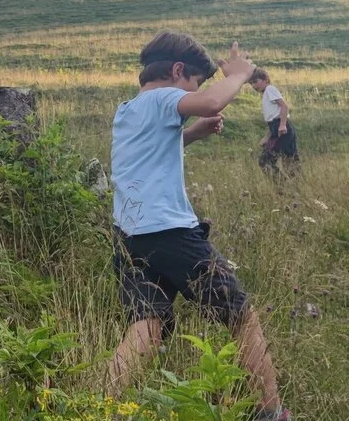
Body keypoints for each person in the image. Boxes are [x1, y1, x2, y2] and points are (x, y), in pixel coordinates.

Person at [107, 32, 288, 420]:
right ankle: (271, 411)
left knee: (147, 324)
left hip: (130, 235)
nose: (193, 94)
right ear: (177, 71)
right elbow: (211, 100)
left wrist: (192, 134)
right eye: (194, 83)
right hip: (172, 233)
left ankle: (96, 406)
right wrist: (239, 74)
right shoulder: (165, 97)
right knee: (240, 314)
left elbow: (148, 153)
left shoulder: (128, 109)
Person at [249, 68, 299, 178]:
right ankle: (294, 188)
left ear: (265, 79)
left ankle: (282, 185)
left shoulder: (270, 89)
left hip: (282, 128)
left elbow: (284, 106)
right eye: (251, 83)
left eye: (255, 81)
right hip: (276, 128)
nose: (253, 85)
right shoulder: (266, 93)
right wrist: (267, 137)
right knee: (290, 160)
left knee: (265, 160)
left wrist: (282, 125)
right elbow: (272, 120)